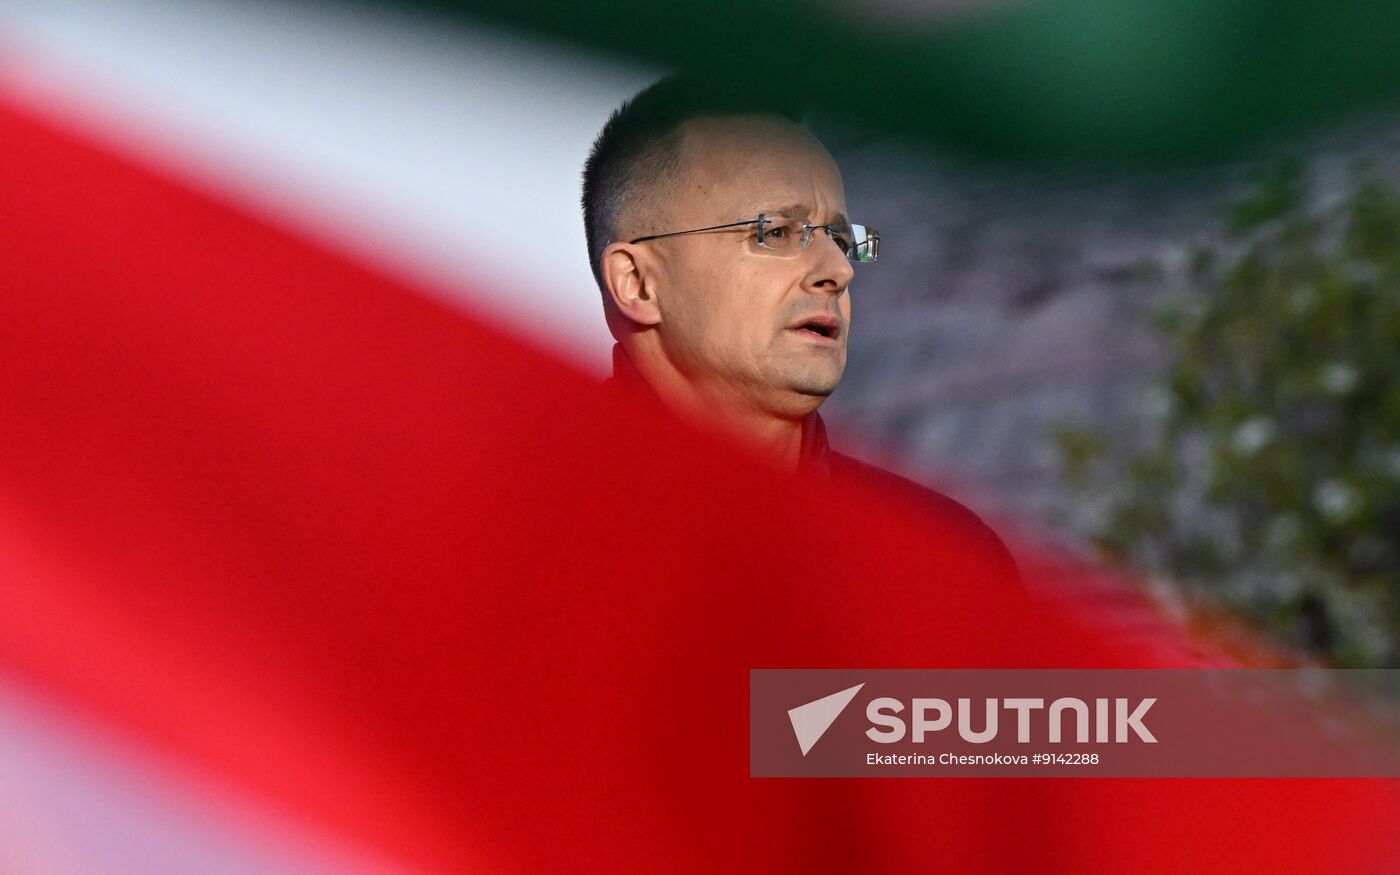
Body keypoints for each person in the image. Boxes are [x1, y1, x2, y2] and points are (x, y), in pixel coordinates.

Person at [581, 74, 1016, 576]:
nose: (839, 270)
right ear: (636, 282)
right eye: (777, 232)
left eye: (839, 235)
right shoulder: (510, 528)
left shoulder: (943, 556)